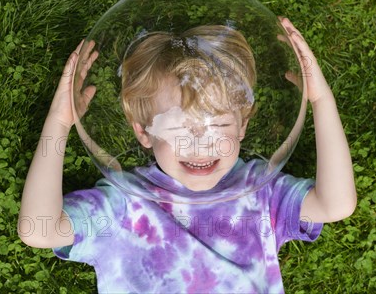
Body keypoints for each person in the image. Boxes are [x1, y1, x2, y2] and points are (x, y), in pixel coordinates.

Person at [18, 17, 356, 293]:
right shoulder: (127, 204)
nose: (201, 144)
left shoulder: (260, 192)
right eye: (178, 128)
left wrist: (321, 101)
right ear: (144, 132)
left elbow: (335, 205)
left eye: (219, 123)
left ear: (242, 126)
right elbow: (39, 230)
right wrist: (60, 121)